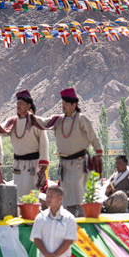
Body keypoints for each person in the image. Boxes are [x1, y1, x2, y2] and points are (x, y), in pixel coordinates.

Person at [44, 87, 103, 216]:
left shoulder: (81, 119)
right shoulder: (59, 120)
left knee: (78, 190)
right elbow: (44, 123)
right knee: (67, 192)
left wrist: (98, 150)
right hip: (64, 163)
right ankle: (68, 219)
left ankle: (83, 218)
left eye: (66, 103)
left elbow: (92, 136)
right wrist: (32, 118)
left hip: (79, 162)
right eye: (63, 103)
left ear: (73, 105)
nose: (63, 106)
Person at [30, 185, 77, 257]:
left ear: (60, 198)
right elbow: (36, 238)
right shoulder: (40, 217)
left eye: (52, 196)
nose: (48, 198)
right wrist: (48, 256)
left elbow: (69, 240)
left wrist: (54, 256)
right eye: (47, 195)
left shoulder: (69, 218)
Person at [4, 90, 49, 200]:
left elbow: (44, 144)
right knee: (18, 194)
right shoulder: (11, 122)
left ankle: (33, 215)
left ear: (29, 106)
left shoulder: (36, 122)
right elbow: (1, 131)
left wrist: (42, 169)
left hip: (33, 165)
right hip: (18, 164)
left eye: (22, 104)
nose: (18, 106)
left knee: (32, 194)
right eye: (17, 103)